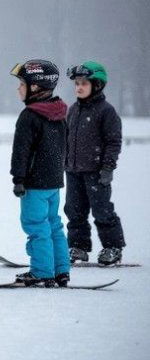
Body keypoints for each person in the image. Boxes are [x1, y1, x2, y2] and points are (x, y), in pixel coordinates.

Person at [9, 60, 70, 287]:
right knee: (53, 224)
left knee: (36, 226)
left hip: (34, 184)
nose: (18, 89)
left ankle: (42, 272)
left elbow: (21, 152)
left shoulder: (29, 116)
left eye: (22, 84)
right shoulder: (60, 113)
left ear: (35, 87)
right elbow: (65, 146)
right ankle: (61, 270)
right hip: (54, 181)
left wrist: (18, 179)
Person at [65, 61, 125, 265]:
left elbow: (113, 141)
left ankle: (112, 247)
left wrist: (108, 167)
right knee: (74, 211)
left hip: (96, 172)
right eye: (77, 84)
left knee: (102, 210)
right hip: (73, 170)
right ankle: (78, 247)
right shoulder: (73, 110)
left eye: (84, 83)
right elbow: (66, 138)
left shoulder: (106, 111)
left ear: (96, 85)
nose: (79, 87)